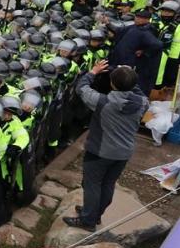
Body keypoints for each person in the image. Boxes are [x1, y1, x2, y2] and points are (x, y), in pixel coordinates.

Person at [63, 62, 148, 232]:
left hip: (100, 151)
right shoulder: (143, 103)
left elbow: (81, 88)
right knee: (108, 184)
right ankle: (95, 214)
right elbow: (137, 91)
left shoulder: (102, 102)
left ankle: (88, 220)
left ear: (112, 83)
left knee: (92, 185)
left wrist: (93, 72)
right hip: (123, 153)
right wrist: (128, 76)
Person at [109, 8, 164, 94]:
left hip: (133, 65)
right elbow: (119, 30)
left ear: (147, 20)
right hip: (122, 61)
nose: (136, 19)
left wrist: (144, 51)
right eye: (136, 17)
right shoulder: (133, 27)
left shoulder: (146, 31)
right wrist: (108, 24)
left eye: (140, 18)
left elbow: (158, 45)